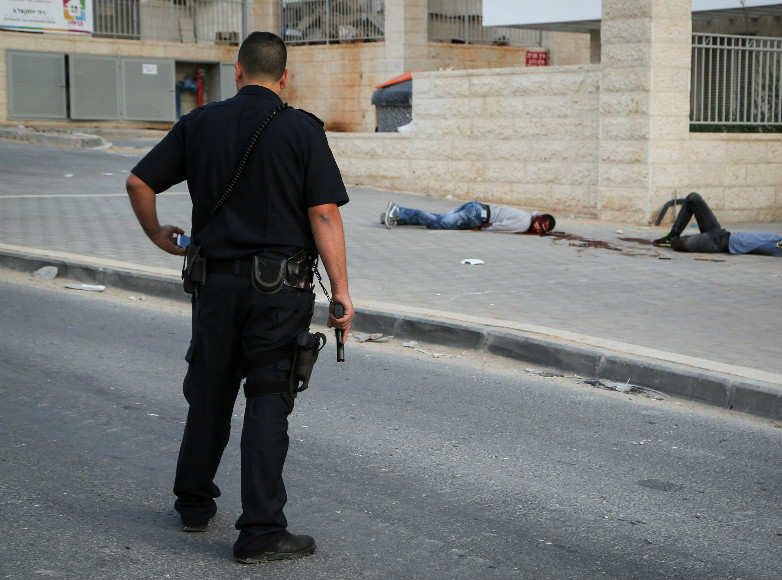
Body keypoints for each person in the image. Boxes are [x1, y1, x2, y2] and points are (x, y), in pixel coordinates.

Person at [125, 31, 354, 564]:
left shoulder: (198, 123)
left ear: (237, 71)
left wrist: (158, 235)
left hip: (213, 285)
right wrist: (341, 291)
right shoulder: (300, 129)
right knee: (268, 397)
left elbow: (140, 183)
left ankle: (193, 504)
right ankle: (261, 533)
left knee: (209, 388)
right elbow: (323, 213)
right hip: (277, 291)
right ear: (285, 76)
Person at [653, 192, 782, 258]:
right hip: (720, 233)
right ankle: (671, 235)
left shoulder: (780, 248)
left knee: (678, 245)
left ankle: (673, 239)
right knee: (693, 198)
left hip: (717, 244)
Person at [381, 200, 555, 234]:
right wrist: (479, 228)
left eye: (543, 229)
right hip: (478, 217)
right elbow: (501, 227)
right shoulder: (525, 223)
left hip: (476, 207)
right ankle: (398, 211)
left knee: (439, 218)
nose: (539, 228)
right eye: (542, 224)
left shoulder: (525, 215)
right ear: (538, 217)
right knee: (438, 222)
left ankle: (399, 218)